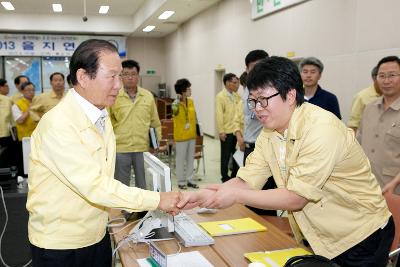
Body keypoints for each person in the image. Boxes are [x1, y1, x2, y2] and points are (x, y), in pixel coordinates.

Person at [179, 56, 393, 267]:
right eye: (252, 101)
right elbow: (248, 179)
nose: (257, 108)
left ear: (290, 96)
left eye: (263, 100)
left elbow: (296, 198)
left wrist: (234, 195)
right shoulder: (270, 132)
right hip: (320, 234)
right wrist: (209, 194)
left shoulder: (321, 129)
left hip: (361, 236)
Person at [26, 39, 181, 267]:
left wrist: (113, 214)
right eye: (112, 76)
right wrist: (157, 199)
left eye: (121, 76)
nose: (119, 85)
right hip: (62, 244)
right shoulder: (58, 124)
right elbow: (94, 185)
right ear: (83, 77)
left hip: (95, 235)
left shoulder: (100, 112)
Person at [234, 50, 277, 216]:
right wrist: (239, 135)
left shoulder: (272, 90)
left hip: (269, 148)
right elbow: (242, 118)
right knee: (250, 198)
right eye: (255, 67)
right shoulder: (246, 91)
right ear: (246, 69)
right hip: (251, 148)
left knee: (266, 199)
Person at [109, 59, 161, 189]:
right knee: (121, 185)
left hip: (143, 147)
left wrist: (155, 143)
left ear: (138, 76)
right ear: (120, 76)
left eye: (133, 74)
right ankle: (123, 209)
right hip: (121, 148)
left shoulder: (147, 96)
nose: (130, 77)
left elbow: (155, 122)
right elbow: (107, 123)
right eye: (126, 74)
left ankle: (142, 209)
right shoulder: (113, 96)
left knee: (144, 183)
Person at [358, 56, 400, 195]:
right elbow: (358, 144)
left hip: (395, 190)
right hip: (367, 187)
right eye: (381, 76)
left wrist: (395, 182)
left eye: (392, 75)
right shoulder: (369, 108)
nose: (386, 81)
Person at [172, 78, 199, 190]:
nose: (190, 91)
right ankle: (181, 181)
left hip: (191, 135)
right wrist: (178, 100)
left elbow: (195, 116)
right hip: (181, 136)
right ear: (182, 91)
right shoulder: (175, 103)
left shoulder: (191, 102)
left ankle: (190, 179)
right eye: (188, 89)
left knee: (190, 159)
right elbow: (174, 111)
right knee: (180, 159)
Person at [216, 73, 241, 182]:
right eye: (235, 83)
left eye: (238, 82)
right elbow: (219, 114)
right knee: (225, 156)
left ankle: (234, 175)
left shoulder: (237, 96)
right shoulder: (220, 96)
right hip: (226, 131)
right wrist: (221, 131)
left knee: (237, 155)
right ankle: (225, 177)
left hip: (236, 131)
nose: (237, 85)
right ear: (227, 83)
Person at [348, 66, 381, 132]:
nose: (387, 81)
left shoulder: (394, 96)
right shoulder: (361, 97)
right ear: (374, 78)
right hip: (367, 138)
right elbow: (353, 124)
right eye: (382, 76)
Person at [0, 78, 14, 168]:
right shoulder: (7, 99)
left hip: (5, 133)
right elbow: (12, 119)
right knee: (5, 158)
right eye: (6, 86)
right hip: (5, 134)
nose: (8, 88)